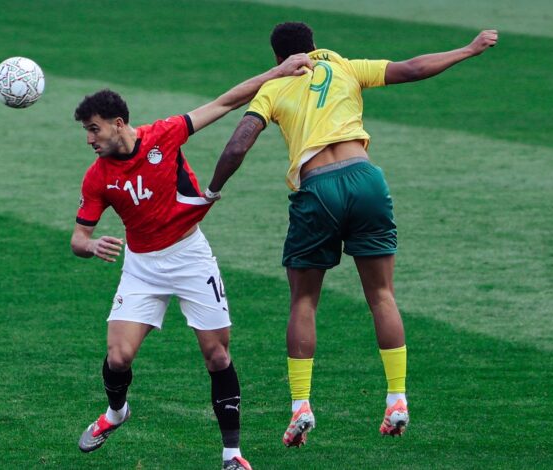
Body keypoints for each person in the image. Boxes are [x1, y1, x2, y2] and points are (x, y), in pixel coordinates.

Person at [204, 22, 499, 445]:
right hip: (366, 181)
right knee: (381, 295)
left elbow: (238, 145)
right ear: (314, 46)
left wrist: (211, 191)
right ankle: (397, 399)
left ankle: (301, 406)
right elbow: (413, 69)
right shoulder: (344, 66)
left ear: (279, 58)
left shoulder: (272, 86)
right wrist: (468, 49)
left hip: (318, 188)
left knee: (304, 300)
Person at [70, 53, 312, 470]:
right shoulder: (98, 176)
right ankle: (116, 413)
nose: (89, 139)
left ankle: (232, 455)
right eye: (86, 132)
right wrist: (90, 247)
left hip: (190, 258)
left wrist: (278, 71)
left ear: (118, 123)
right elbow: (78, 238)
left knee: (217, 355)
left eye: (94, 129)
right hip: (141, 267)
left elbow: (224, 103)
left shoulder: (164, 135)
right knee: (118, 357)